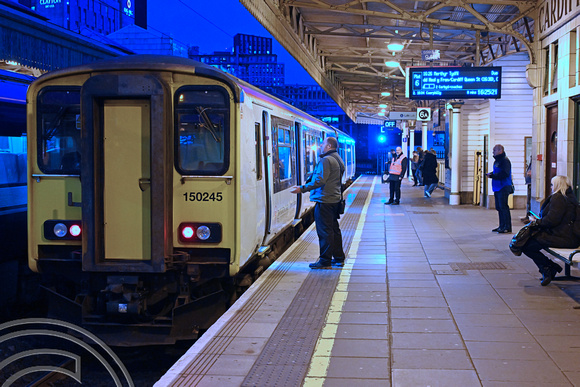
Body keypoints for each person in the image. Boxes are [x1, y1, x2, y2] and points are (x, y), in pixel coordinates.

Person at [291, 137, 346, 269]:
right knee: (334, 230)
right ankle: (339, 258)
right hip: (334, 200)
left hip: (324, 200)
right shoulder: (338, 158)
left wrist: (302, 189)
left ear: (328, 146)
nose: (321, 146)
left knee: (325, 231)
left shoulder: (326, 160)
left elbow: (320, 180)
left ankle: (325, 261)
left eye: (323, 144)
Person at [521, 176, 580, 286]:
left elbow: (552, 220)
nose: (551, 187)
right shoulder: (569, 197)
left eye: (552, 185)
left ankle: (548, 268)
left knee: (526, 245)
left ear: (558, 185)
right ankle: (549, 267)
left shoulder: (559, 198)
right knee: (529, 243)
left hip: (564, 238)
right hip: (568, 236)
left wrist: (536, 222)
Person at [486, 144, 512, 233]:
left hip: (503, 186)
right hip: (497, 187)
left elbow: (505, 173)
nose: (493, 152)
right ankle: (501, 225)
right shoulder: (497, 161)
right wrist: (491, 174)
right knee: (499, 207)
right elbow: (497, 171)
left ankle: (507, 227)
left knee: (503, 207)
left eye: (494, 151)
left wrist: (493, 176)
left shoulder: (505, 161)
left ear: (500, 151)